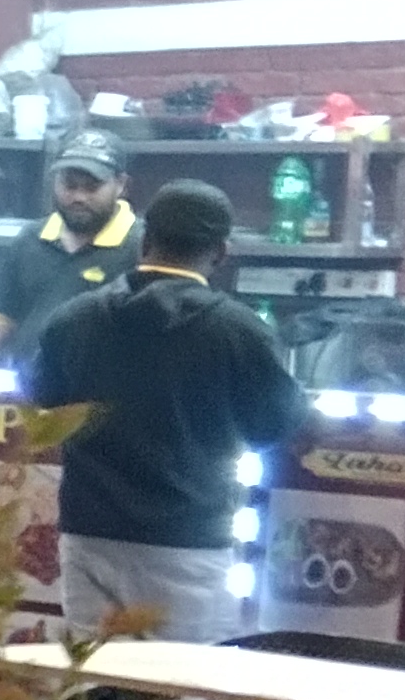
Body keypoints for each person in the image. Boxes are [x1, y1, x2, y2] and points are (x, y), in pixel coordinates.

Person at [24, 180, 306, 644]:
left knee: (95, 679)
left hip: (88, 535)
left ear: (145, 240)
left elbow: (43, 401)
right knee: (182, 683)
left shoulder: (73, 320)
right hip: (188, 543)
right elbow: (272, 424)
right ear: (221, 253)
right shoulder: (239, 331)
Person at [0, 131, 137, 362]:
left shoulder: (140, 246)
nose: (79, 197)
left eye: (92, 187)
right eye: (69, 185)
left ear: (121, 185)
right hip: (27, 380)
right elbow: (1, 312)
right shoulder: (31, 239)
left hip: (100, 382)